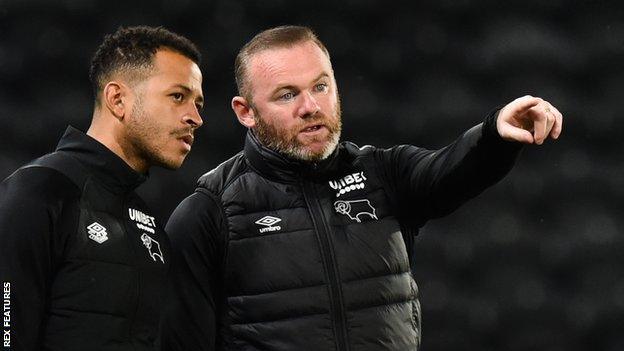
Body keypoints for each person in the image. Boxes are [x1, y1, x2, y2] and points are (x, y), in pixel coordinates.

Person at [161, 25, 562, 351]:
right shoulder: (207, 213)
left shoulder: (385, 175)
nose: (311, 107)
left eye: (321, 86)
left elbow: (452, 169)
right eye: (288, 94)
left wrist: (495, 135)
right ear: (245, 112)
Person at [0, 25, 204, 351]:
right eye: (178, 96)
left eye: (198, 104)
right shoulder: (40, 191)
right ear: (117, 99)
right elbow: (6, 328)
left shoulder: (149, 223)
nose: (195, 117)